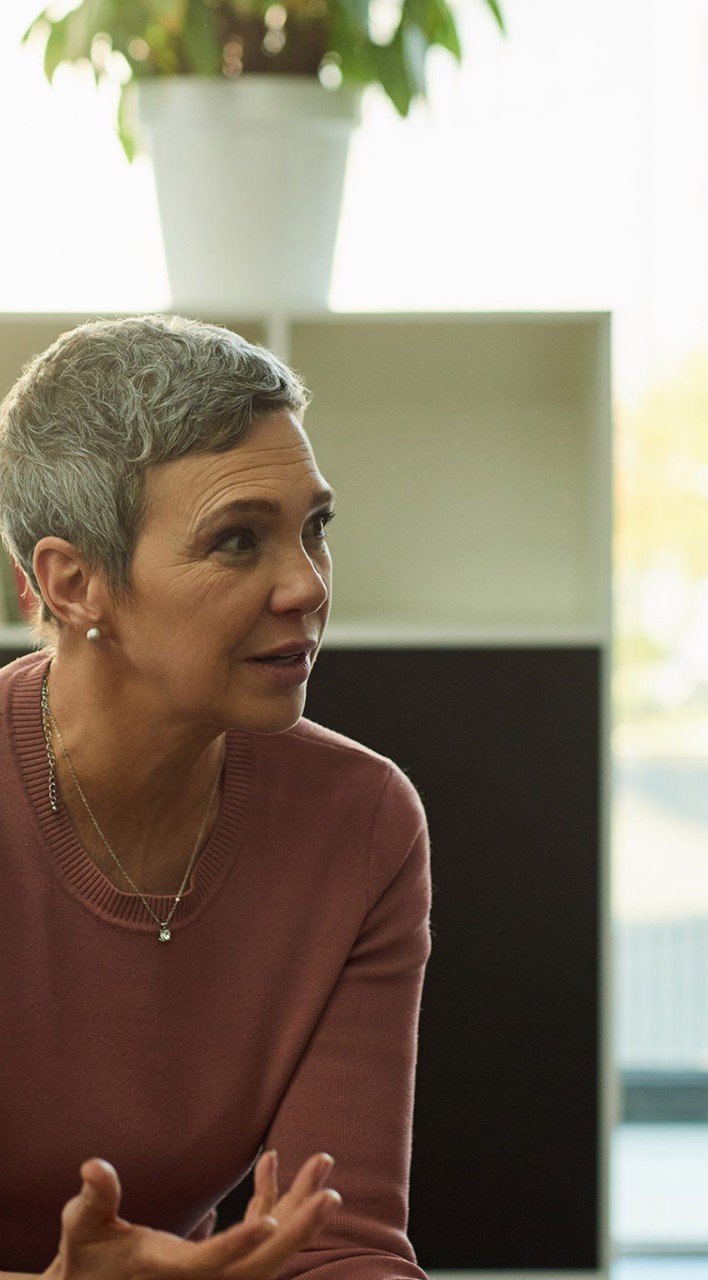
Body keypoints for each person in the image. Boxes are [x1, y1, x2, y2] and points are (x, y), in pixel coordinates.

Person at [0, 315, 431, 1279]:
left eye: (313, 529)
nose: (307, 586)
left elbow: (344, 1246)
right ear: (74, 586)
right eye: (238, 542)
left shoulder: (359, 824)